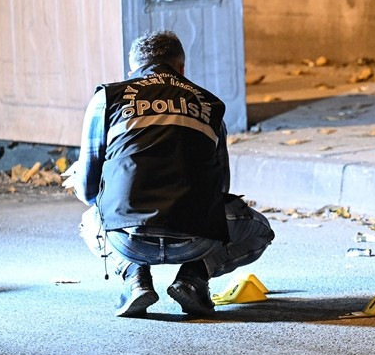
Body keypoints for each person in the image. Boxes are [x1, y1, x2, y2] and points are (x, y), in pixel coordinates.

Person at [65, 30, 273, 317]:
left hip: (129, 239)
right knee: (260, 230)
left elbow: (89, 190)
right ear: (181, 68)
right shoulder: (210, 105)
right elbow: (220, 188)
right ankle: (193, 278)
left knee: (90, 220)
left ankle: (134, 278)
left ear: (133, 70)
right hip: (196, 240)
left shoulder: (108, 98)